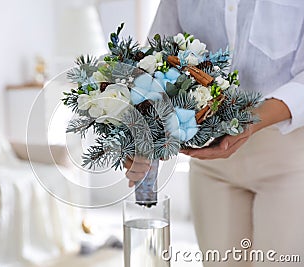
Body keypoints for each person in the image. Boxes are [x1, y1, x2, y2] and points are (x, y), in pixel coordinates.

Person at [125, 0, 304, 266]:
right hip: (210, 160)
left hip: (290, 158)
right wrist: (142, 135)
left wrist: (250, 120)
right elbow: (156, 59)